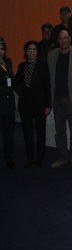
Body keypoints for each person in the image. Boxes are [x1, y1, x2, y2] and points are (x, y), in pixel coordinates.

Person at [47, 30, 72, 169]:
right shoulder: (51, 55)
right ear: (58, 40)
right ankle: (62, 157)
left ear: (70, 39)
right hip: (56, 98)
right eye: (60, 38)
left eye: (66, 38)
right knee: (60, 131)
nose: (63, 41)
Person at [14, 41, 51, 167]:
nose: (32, 52)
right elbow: (16, 84)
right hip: (25, 105)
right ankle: (30, 159)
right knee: (27, 132)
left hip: (40, 104)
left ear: (38, 52)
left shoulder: (43, 65)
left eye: (34, 50)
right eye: (29, 50)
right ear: (25, 52)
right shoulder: (21, 66)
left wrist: (48, 105)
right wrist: (23, 93)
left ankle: (39, 159)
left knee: (41, 132)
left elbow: (47, 86)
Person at [0, 38, 16, 169]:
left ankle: (9, 159)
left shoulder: (8, 61)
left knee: (8, 134)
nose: (0, 51)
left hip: (8, 103)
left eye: (2, 48)